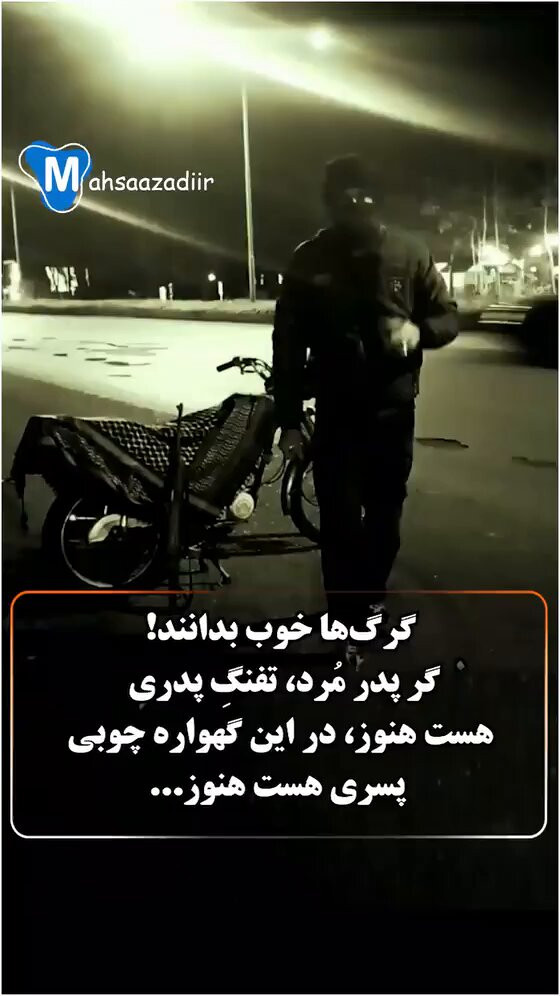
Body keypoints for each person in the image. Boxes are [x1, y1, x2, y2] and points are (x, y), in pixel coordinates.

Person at [272, 154, 459, 663]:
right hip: (336, 412)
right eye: (345, 196)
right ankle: (345, 619)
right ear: (330, 201)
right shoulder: (310, 258)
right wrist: (289, 421)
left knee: (384, 516)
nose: (355, 204)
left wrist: (418, 331)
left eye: (363, 195)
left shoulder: (409, 252)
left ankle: (369, 600)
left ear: (378, 199)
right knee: (338, 522)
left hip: (392, 412)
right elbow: (287, 344)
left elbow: (447, 317)